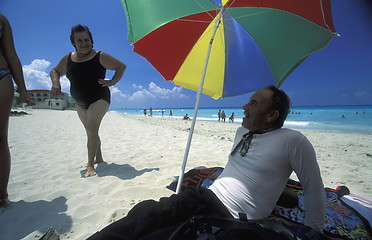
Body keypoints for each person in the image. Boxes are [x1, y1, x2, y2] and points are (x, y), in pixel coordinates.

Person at [87, 86, 326, 239]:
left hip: (234, 219)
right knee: (146, 212)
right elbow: (244, 171)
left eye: (253, 103)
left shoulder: (293, 141)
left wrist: (313, 232)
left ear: (272, 115)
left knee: (163, 236)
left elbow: (314, 189)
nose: (244, 106)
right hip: (203, 196)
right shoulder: (241, 132)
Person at [50, 24, 126, 177]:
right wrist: (56, 83)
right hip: (80, 102)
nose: (84, 43)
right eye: (79, 41)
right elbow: (55, 71)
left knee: (91, 128)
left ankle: (90, 165)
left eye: (86, 39)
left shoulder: (100, 56)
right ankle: (99, 157)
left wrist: (112, 82)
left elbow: (121, 66)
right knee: (91, 132)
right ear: (74, 43)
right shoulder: (67, 59)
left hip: (99, 97)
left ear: (92, 40)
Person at [0, 14, 34, 207]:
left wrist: (22, 89)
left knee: (1, 138)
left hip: (1, 75)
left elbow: (11, 55)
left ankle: (1, 195)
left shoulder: (2, 20)